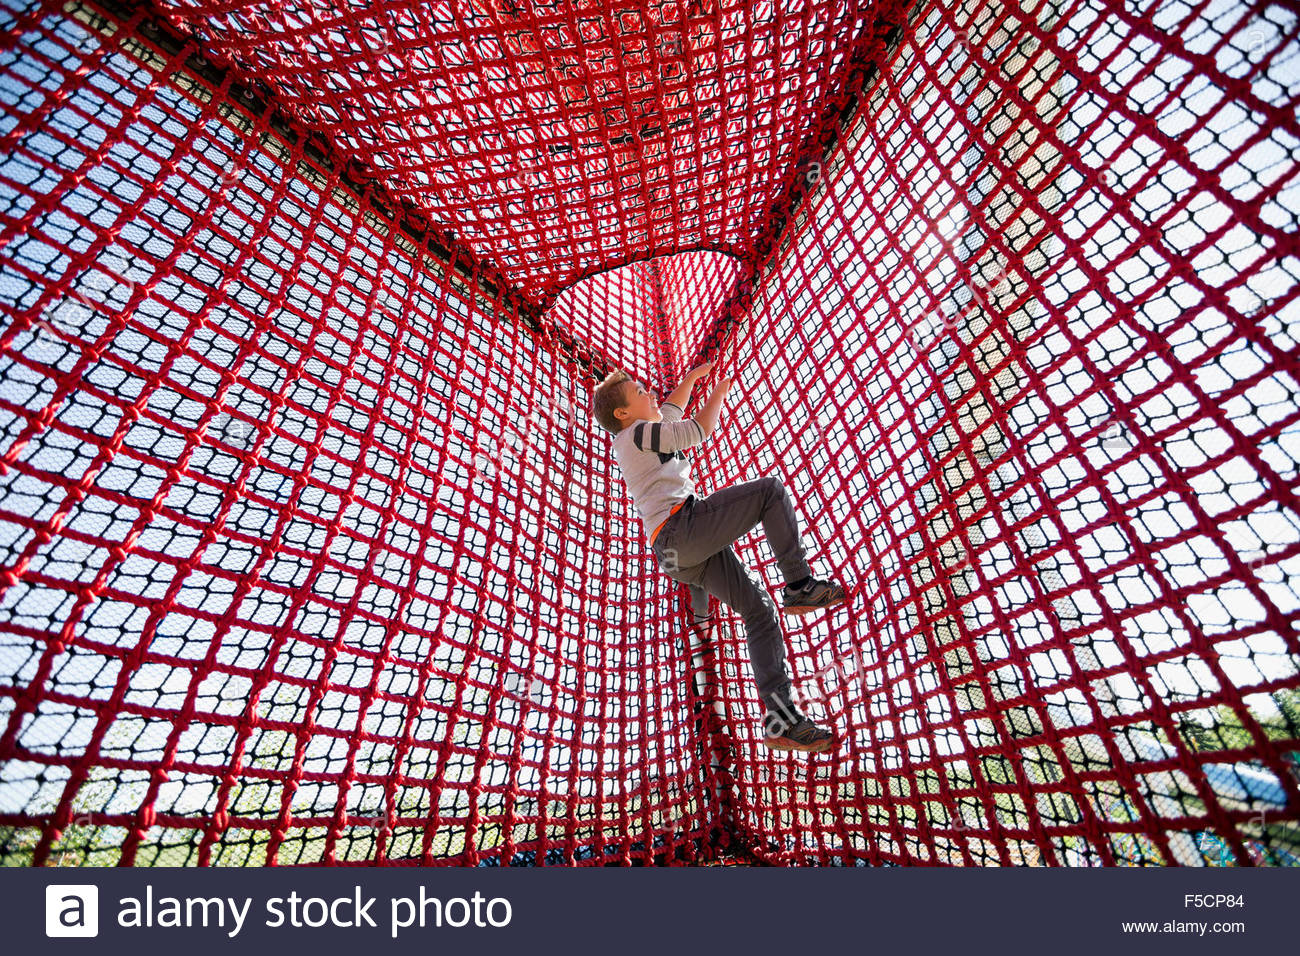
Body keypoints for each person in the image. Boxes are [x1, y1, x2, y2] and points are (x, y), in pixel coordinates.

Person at [590, 361, 847, 754]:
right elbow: (696, 431)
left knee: (760, 610)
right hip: (682, 528)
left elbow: (673, 410)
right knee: (770, 492)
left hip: (679, 554)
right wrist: (718, 394)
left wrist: (691, 380)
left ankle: (781, 719)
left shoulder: (645, 431)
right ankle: (798, 583)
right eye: (640, 392)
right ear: (623, 413)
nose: (650, 394)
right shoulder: (636, 433)